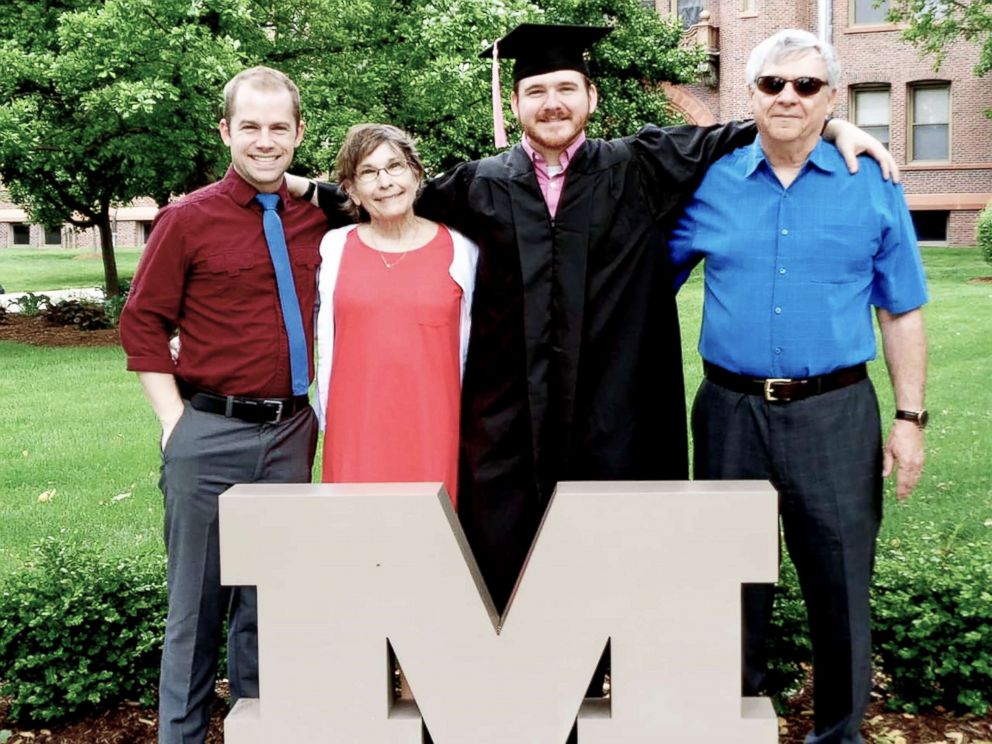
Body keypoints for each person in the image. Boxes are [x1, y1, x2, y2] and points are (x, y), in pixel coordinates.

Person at [296, 24, 895, 616]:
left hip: (614, 413)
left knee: (616, 562)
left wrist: (832, 122)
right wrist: (290, 183)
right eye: (536, 91)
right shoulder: (481, 184)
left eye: (566, 88)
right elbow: (386, 197)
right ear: (515, 103)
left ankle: (610, 681)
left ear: (591, 97)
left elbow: (736, 134)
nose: (552, 103)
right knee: (510, 563)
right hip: (511, 421)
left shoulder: (640, 167)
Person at [669, 29, 928, 744]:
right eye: (773, 84)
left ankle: (838, 733)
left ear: (833, 98)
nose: (789, 96)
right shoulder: (709, 183)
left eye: (808, 86)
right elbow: (639, 278)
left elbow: (901, 310)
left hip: (837, 413)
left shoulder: (873, 187)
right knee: (730, 580)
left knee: (840, 583)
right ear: (749, 94)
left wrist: (910, 419)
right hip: (729, 412)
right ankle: (733, 718)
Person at [120, 66, 348, 744]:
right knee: (196, 609)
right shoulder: (186, 218)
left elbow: (382, 194)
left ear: (300, 132)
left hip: (292, 430)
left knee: (270, 606)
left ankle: (262, 730)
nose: (265, 140)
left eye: (280, 127)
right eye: (250, 126)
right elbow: (141, 322)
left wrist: (311, 186)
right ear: (225, 131)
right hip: (209, 431)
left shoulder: (320, 217)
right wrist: (172, 421)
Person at [315, 124, 478, 505]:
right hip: (355, 433)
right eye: (368, 172)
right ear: (351, 189)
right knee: (357, 545)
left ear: (417, 174)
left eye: (395, 166)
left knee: (433, 546)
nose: (384, 181)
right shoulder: (334, 249)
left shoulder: (461, 249)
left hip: (434, 432)